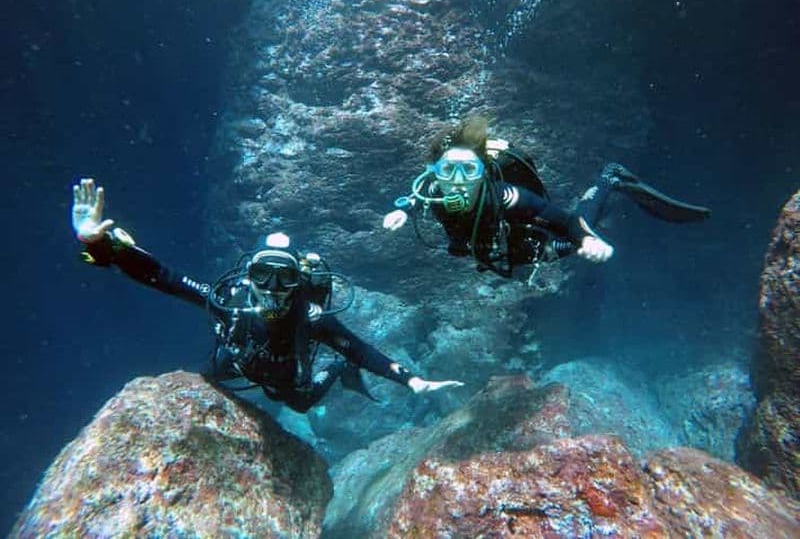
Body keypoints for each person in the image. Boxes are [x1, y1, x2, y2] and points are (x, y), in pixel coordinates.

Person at [72, 178, 463, 413]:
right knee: (210, 376)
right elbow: (164, 277)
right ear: (249, 275)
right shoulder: (233, 303)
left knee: (299, 403)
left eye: (285, 278)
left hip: (288, 380)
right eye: (264, 275)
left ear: (299, 281)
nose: (274, 289)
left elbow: (359, 350)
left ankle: (337, 374)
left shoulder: (310, 317)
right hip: (238, 366)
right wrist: (102, 245)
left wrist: (413, 382)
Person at [383, 116, 710, 282]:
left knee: (573, 238)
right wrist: (403, 211)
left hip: (531, 243)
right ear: (434, 171)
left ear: (482, 170)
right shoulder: (431, 189)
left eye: (467, 170)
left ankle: (609, 179)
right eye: (447, 170)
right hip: (494, 251)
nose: (457, 181)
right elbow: (417, 199)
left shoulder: (506, 196)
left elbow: (566, 221)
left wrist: (588, 241)